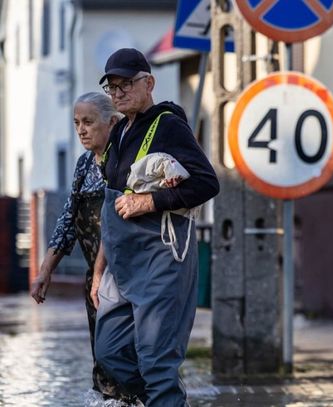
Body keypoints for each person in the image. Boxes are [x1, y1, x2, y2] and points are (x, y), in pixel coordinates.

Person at [92, 48, 219, 406]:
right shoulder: (119, 134)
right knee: (110, 351)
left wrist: (149, 201)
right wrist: (99, 271)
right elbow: (110, 209)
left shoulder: (169, 125)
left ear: (148, 83)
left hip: (162, 260)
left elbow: (208, 184)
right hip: (122, 263)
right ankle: (163, 398)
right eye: (111, 87)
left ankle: (164, 395)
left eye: (126, 84)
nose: (118, 93)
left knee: (156, 362)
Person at [29, 92, 130, 402]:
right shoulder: (84, 164)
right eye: (76, 124)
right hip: (96, 282)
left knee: (123, 356)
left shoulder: (124, 161)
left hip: (125, 278)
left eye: (88, 122)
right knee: (101, 363)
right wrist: (45, 270)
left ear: (112, 122)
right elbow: (68, 219)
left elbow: (115, 224)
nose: (82, 130)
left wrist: (101, 275)